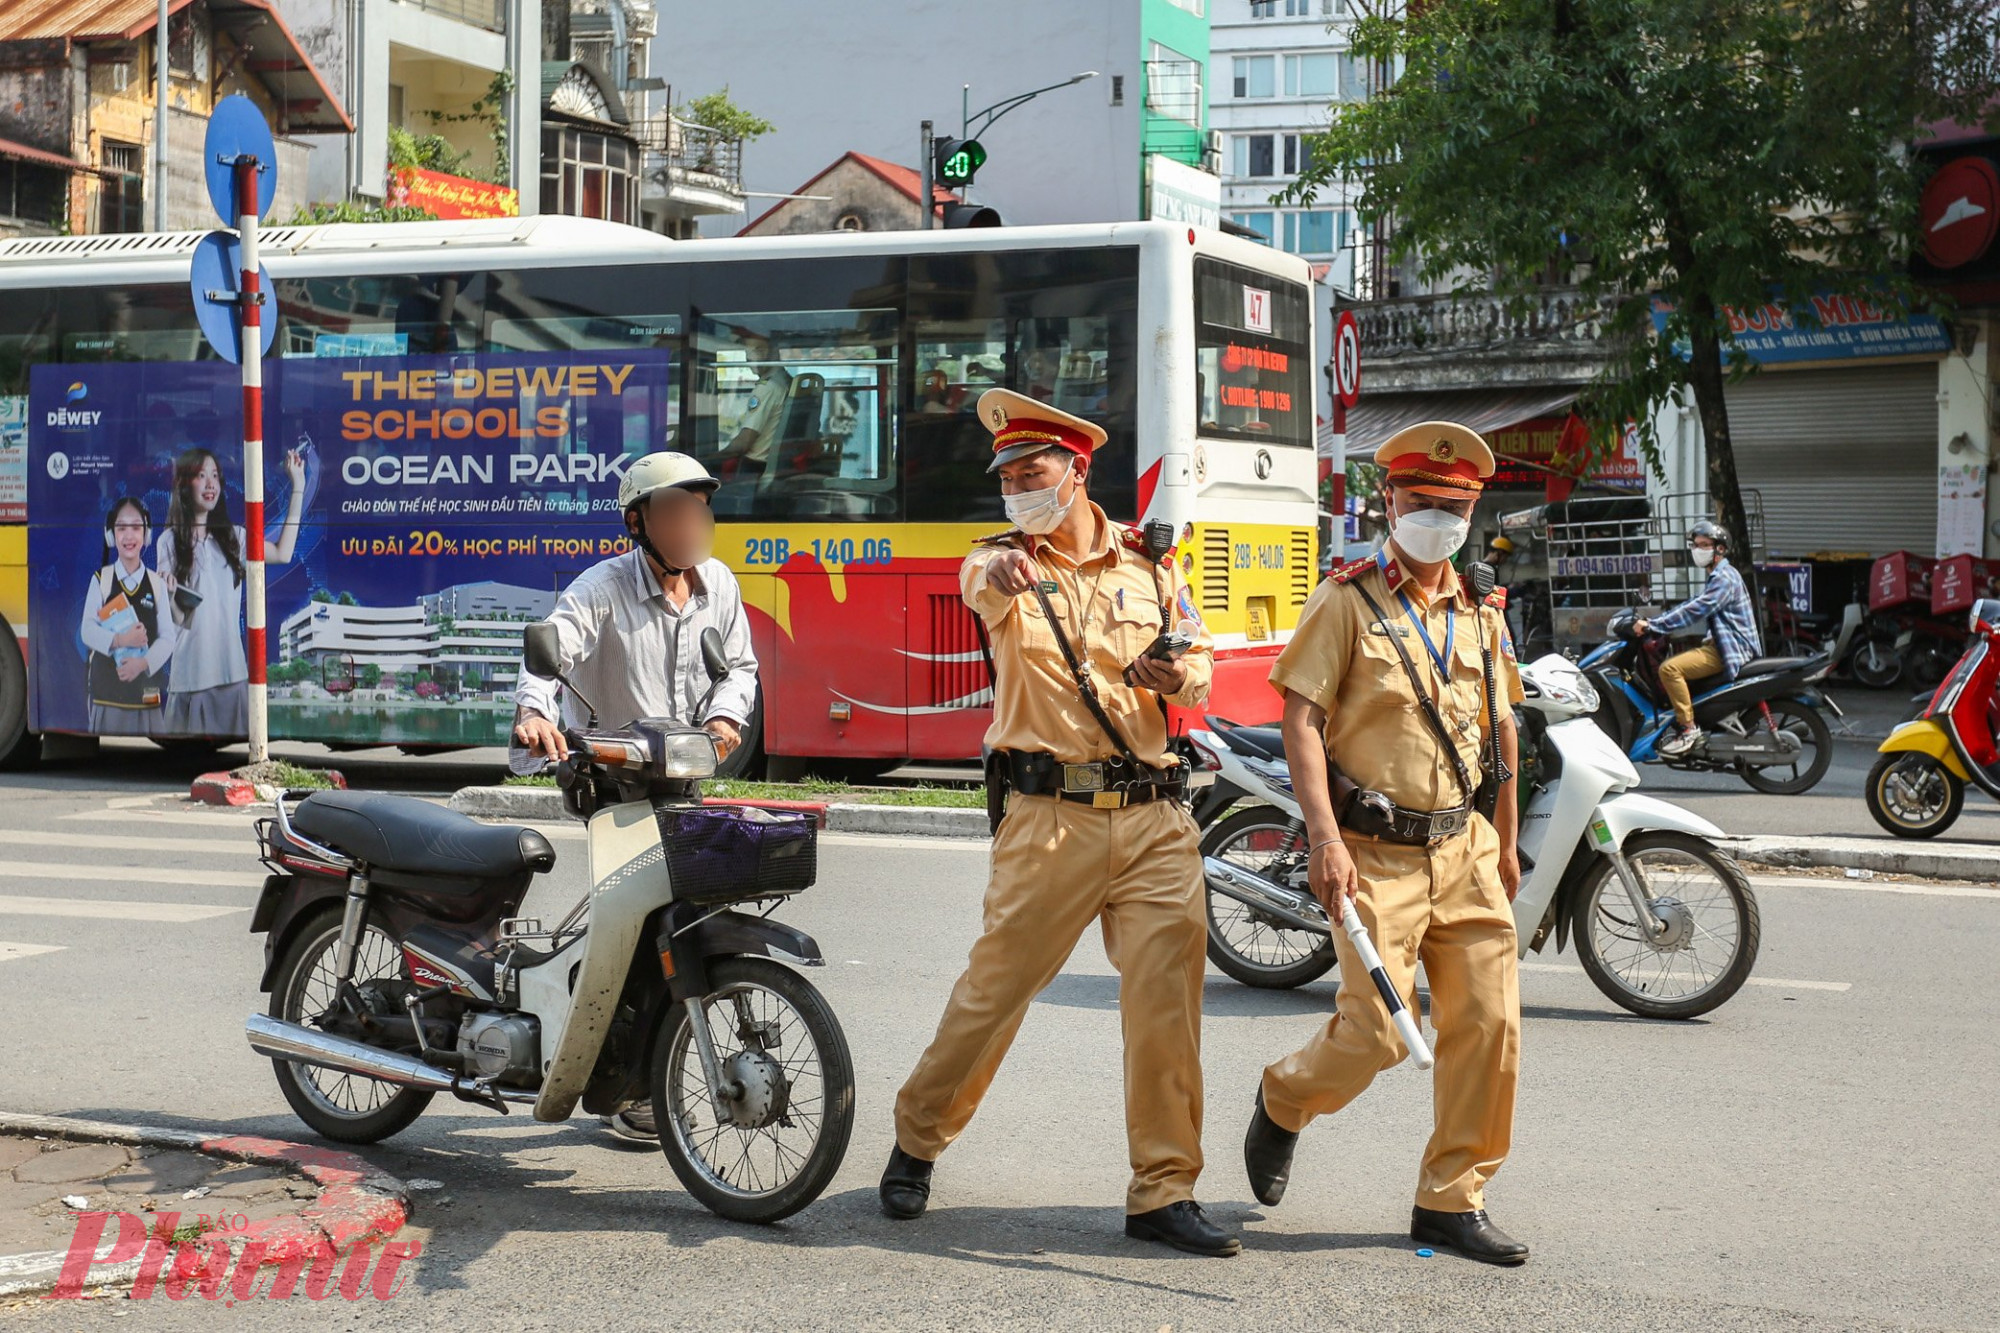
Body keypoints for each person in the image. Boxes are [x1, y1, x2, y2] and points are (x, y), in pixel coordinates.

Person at [878, 389, 1238, 1258]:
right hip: (1047, 818)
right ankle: (918, 1139)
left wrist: (1171, 673)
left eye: (1032, 473)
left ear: (1077, 473)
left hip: (1154, 816)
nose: (1016, 490)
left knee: (1165, 1006)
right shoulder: (997, 562)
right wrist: (998, 571)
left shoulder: (1152, 568)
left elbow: (1201, 668)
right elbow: (977, 583)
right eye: (1006, 477)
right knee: (995, 994)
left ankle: (1164, 1188)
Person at [1241, 421, 1529, 1267]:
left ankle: (1451, 1196)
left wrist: (1504, 845)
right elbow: (1301, 720)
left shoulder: (1483, 611)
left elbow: (1503, 734)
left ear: (1473, 514)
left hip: (1465, 847)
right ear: (1389, 501)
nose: (1436, 517)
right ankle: (1283, 1096)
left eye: (1453, 506)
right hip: (1373, 853)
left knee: (1490, 1026)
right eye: (1422, 502)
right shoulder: (1347, 600)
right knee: (1376, 1035)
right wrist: (1324, 839)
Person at [511, 450, 759, 1140]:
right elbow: (550, 648)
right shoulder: (603, 586)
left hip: (680, 773)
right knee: (637, 920)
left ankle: (642, 1061)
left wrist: (725, 717)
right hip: (609, 774)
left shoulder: (719, 585)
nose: (692, 522)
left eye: (699, 509)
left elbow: (739, 665)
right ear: (639, 522)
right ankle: (626, 1078)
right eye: (676, 510)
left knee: (682, 915)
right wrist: (535, 712)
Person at [156, 445, 306, 737]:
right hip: (190, 676)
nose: (211, 484)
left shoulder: (234, 537)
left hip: (232, 674)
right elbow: (177, 619)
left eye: (215, 475)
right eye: (202, 475)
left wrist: (297, 486)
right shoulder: (168, 541)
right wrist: (170, 593)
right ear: (185, 484)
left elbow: (283, 553)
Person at [1634, 519, 1761, 758]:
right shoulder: (1719, 575)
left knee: (1670, 669)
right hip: (1722, 646)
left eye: (1704, 545)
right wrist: (1661, 620)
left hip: (1729, 650)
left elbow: (1696, 610)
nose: (1698, 550)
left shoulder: (1724, 578)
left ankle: (1689, 730)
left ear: (1720, 549)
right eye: (1695, 545)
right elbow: (1692, 604)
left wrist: (1654, 624)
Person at [80, 497, 177, 735]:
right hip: (106, 699)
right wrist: (122, 641)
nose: (129, 536)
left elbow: (168, 638)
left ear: (147, 535)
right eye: (121, 528)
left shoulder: (156, 584)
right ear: (112, 536)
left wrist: (142, 664)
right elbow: (87, 631)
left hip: (146, 699)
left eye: (136, 528)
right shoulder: (101, 580)